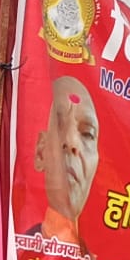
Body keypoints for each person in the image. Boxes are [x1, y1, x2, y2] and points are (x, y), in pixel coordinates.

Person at [26, 75, 100, 248]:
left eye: (87, 133)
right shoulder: (12, 251)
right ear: (40, 153)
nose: (72, 142)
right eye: (60, 124)